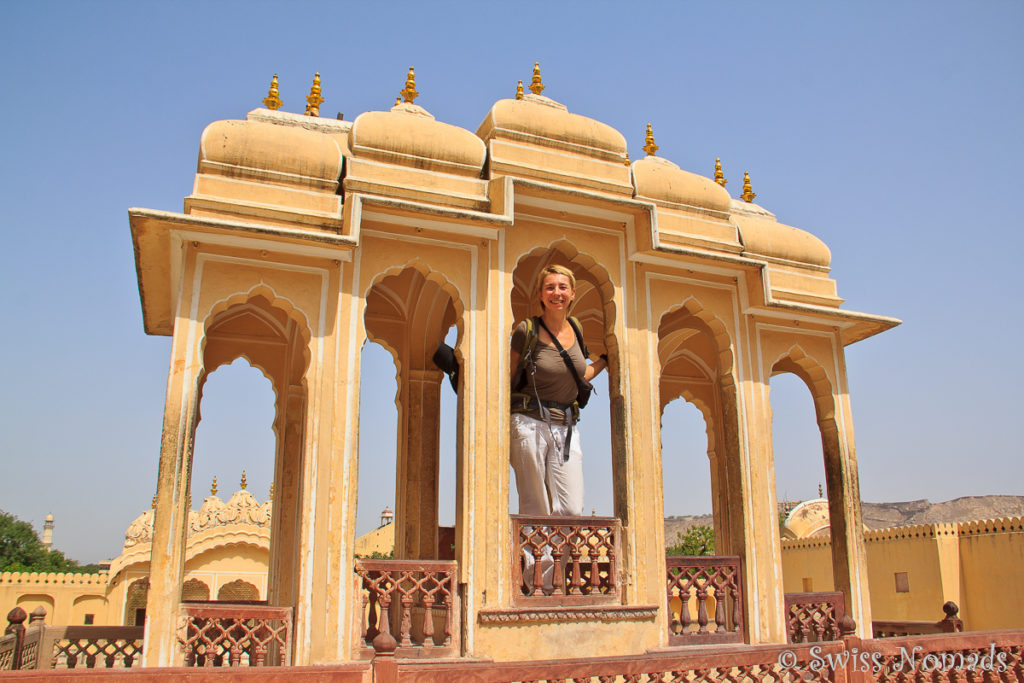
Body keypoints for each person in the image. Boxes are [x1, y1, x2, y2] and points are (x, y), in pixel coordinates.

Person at [509, 264, 609, 518]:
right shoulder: (526, 330)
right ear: (541, 295)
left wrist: (605, 361)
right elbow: (507, 376)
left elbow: (578, 372)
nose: (557, 293)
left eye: (563, 287)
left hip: (566, 426)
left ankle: (554, 560)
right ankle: (535, 560)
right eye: (550, 287)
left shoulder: (576, 328)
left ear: (573, 293)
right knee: (535, 505)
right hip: (528, 423)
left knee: (572, 509)